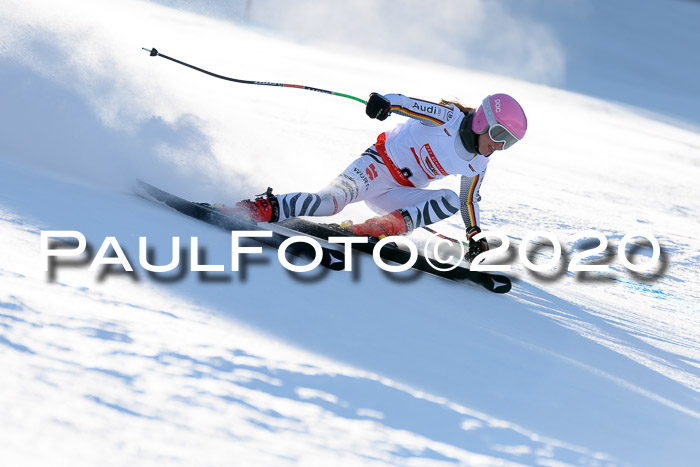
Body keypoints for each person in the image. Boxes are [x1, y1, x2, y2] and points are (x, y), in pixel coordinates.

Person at [217, 92, 527, 261]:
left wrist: (474, 235)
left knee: (448, 199)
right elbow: (408, 104)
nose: (499, 145)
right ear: (483, 121)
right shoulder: (448, 118)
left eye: (508, 142)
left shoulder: (478, 164)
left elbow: (468, 201)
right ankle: (259, 208)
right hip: (375, 167)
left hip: (398, 193)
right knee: (329, 203)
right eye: (499, 134)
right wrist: (386, 104)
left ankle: (374, 230)